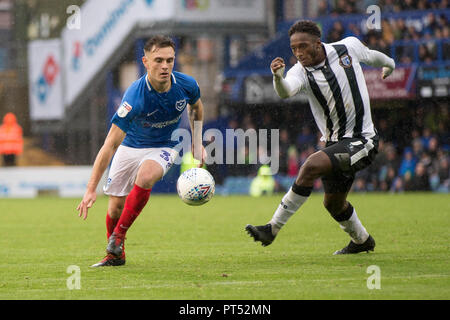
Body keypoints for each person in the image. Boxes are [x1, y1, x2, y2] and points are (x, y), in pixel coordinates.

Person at [245, 20, 395, 254]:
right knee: (333, 203)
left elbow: (371, 56)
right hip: (335, 144)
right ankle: (362, 240)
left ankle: (271, 228)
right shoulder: (300, 72)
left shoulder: (347, 48)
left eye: (303, 46)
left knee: (312, 164)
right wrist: (277, 77)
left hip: (363, 140)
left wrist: (390, 64)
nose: (298, 53)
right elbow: (285, 92)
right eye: (294, 48)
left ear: (317, 43)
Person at [76, 35, 206, 267]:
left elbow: (196, 107)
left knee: (145, 176)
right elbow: (110, 144)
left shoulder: (186, 85)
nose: (165, 66)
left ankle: (119, 237)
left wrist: (197, 141)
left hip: (164, 146)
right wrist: (90, 189)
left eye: (169, 60)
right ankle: (115, 255)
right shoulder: (134, 97)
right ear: (145, 62)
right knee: (115, 208)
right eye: (158, 60)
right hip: (130, 147)